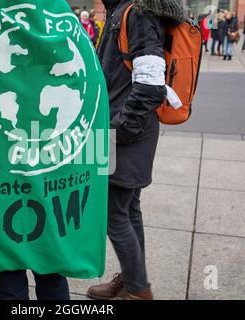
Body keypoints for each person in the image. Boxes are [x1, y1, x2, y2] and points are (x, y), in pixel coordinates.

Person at [86, 0, 185, 300]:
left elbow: (150, 86)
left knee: (112, 212)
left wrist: (117, 131)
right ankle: (132, 279)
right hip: (123, 128)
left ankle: (138, 290)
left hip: (124, 131)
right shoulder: (123, 10)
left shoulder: (136, 12)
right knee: (128, 209)